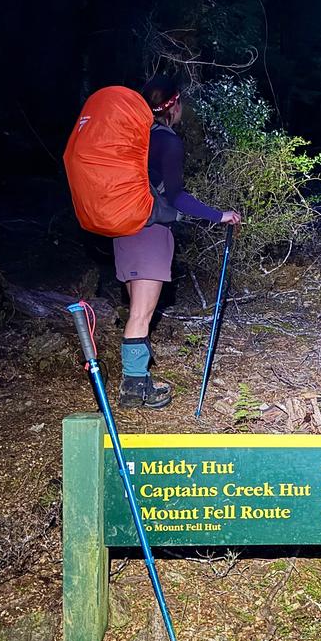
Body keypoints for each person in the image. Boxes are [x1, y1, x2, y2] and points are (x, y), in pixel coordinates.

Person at [115, 75, 241, 409]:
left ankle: (139, 383)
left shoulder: (133, 137)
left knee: (137, 311)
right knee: (141, 314)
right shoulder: (167, 142)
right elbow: (177, 196)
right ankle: (132, 388)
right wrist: (219, 215)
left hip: (123, 230)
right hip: (149, 231)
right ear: (172, 105)